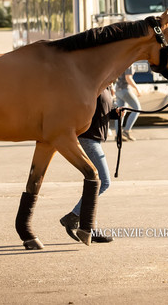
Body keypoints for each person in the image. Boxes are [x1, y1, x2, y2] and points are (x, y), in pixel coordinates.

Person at [59, 88, 118, 243]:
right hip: (88, 138)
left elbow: (99, 111)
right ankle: (73, 217)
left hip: (94, 138)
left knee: (96, 183)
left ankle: (88, 226)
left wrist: (114, 113)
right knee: (103, 182)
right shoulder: (94, 84)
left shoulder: (104, 86)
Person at [114, 66, 141, 142]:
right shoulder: (130, 63)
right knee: (137, 109)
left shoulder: (122, 61)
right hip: (125, 90)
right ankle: (126, 131)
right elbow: (128, 78)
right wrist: (137, 88)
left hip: (118, 90)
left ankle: (118, 135)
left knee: (120, 113)